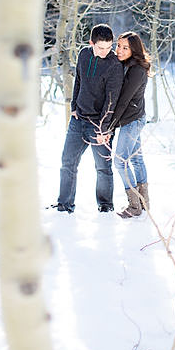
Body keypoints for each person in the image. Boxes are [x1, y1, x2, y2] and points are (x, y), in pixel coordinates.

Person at [53, 23, 124, 214]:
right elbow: (78, 81)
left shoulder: (114, 65)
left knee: (103, 167)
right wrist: (74, 107)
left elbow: (111, 101)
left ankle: (105, 206)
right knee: (68, 162)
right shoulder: (84, 55)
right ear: (91, 43)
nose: (105, 52)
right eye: (101, 47)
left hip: (99, 125)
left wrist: (103, 129)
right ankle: (64, 204)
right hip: (78, 121)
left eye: (109, 47)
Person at [107, 31, 151, 219]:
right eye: (119, 45)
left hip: (132, 121)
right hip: (133, 118)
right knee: (136, 159)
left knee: (120, 160)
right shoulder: (126, 66)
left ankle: (135, 205)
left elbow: (123, 101)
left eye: (125, 48)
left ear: (134, 50)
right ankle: (144, 202)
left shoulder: (136, 70)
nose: (120, 50)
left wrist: (110, 125)